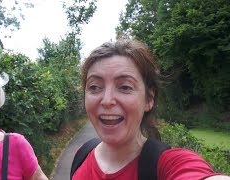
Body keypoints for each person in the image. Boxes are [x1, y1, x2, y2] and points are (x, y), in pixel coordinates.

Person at [71, 38, 230, 180]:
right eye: (94, 87)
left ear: (149, 99)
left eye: (125, 87)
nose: (107, 100)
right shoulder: (81, 155)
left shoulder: (169, 165)